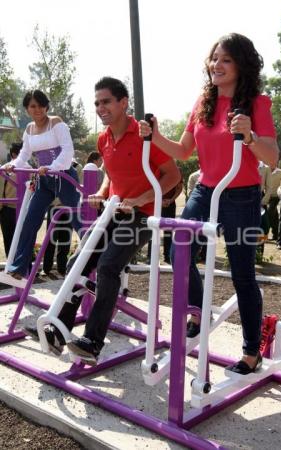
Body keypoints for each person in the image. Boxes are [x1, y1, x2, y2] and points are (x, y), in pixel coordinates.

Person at [140, 33, 279, 375]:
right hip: (205, 190)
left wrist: (249, 137)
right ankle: (198, 310)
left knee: (242, 274)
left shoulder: (257, 103)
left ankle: (251, 351)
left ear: (241, 65)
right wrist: (155, 135)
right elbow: (184, 150)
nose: (217, 65)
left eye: (226, 59)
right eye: (214, 58)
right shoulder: (204, 100)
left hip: (241, 194)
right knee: (178, 253)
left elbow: (273, 157)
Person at [24, 77, 180, 364]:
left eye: (106, 101)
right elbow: (112, 173)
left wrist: (138, 199)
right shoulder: (104, 138)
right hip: (114, 210)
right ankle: (59, 331)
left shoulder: (143, 135)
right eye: (97, 102)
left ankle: (93, 342)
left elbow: (173, 176)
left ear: (123, 103)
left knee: (108, 267)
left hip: (141, 215)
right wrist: (101, 191)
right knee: (77, 262)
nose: (100, 107)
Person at [0, 90, 82, 285]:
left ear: (46, 106)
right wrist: (10, 165)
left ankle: (94, 253)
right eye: (32, 106)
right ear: (27, 108)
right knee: (30, 220)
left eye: (40, 105)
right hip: (44, 178)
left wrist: (53, 167)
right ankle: (19, 267)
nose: (37, 109)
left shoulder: (56, 122)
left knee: (76, 218)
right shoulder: (28, 128)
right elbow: (24, 155)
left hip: (62, 175)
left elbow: (68, 150)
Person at [147, 177, 183, 264]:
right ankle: (150, 256)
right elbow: (148, 187)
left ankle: (167, 256)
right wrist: (157, 201)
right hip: (154, 203)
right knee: (153, 230)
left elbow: (179, 188)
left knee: (168, 231)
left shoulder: (176, 171)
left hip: (169, 204)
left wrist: (171, 200)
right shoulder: (153, 170)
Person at [0, 143, 24, 256]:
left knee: (9, 239)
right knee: (23, 238)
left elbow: (1, 190)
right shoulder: (31, 169)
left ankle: (11, 266)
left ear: (12, 154)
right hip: (24, 208)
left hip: (8, 208)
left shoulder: (4, 169)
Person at [267, 165, 281, 240]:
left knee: (270, 212)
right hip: (267, 196)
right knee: (274, 216)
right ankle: (275, 234)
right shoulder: (266, 170)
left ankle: (265, 233)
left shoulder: (280, 172)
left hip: (276, 196)